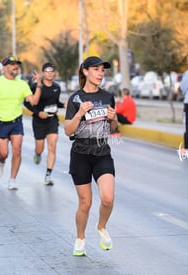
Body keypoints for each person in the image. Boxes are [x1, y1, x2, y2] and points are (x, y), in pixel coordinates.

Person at [64, 56, 118, 256]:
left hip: (102, 152)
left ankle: (101, 227)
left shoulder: (108, 97)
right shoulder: (75, 98)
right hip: (80, 154)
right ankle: (80, 238)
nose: (100, 73)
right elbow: (68, 131)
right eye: (96, 69)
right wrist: (79, 114)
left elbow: (113, 128)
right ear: (85, 71)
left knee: (108, 199)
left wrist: (114, 119)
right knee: (85, 203)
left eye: (102, 70)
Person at [0, 55, 41, 190]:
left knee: (17, 151)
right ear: (5, 67)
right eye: (13, 64)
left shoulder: (22, 84)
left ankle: (12, 179)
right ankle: (1, 162)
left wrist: (39, 85)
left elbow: (34, 102)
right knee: (4, 153)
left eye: (17, 64)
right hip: (1, 122)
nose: (16, 67)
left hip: (16, 122)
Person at [23, 62, 65, 185]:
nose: (50, 73)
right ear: (43, 73)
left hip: (52, 120)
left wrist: (64, 105)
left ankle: (48, 175)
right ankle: (37, 153)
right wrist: (38, 113)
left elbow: (55, 103)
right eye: (47, 71)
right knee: (40, 148)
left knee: (52, 147)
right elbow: (27, 103)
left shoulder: (57, 87)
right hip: (39, 121)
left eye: (52, 71)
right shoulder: (36, 86)